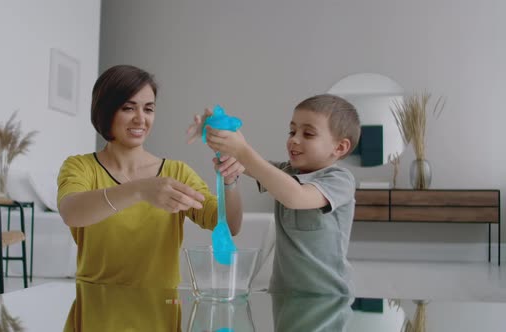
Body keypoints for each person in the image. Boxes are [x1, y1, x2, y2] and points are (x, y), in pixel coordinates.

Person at [57, 65, 244, 288]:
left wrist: (229, 179)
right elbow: (72, 213)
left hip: (159, 312)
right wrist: (140, 190)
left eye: (148, 109)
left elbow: (229, 225)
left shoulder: (176, 173)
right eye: (128, 108)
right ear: (105, 111)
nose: (140, 119)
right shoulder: (80, 167)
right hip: (95, 307)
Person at [189, 94, 360, 295]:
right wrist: (220, 134)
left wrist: (242, 151)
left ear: (339, 147)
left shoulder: (339, 179)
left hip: (326, 297)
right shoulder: (286, 172)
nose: (294, 139)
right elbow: (249, 164)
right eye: (292, 131)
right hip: (283, 294)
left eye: (308, 134)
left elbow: (295, 196)